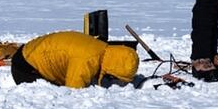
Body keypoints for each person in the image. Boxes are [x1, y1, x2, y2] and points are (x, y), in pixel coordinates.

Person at [10, 31, 141, 89]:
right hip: (25, 68)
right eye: (116, 78)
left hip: (28, 53)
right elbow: (73, 92)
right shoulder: (88, 60)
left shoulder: (100, 49)